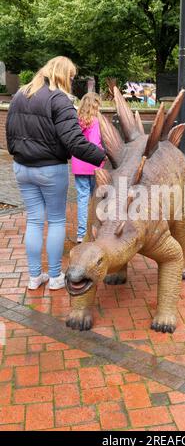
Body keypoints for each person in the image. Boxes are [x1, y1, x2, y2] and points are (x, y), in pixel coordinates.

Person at [6, 56, 106, 290]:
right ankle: (54, 277)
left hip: (22, 168)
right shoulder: (58, 99)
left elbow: (9, 131)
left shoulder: (20, 94)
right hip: (50, 169)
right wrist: (103, 157)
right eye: (71, 76)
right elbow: (75, 142)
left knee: (34, 220)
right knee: (57, 221)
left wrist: (17, 153)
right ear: (62, 75)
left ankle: (34, 277)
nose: (72, 81)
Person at [71, 93, 105, 243]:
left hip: (79, 164)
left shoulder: (75, 121)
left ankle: (81, 234)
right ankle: (96, 231)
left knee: (82, 199)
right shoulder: (95, 121)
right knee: (96, 200)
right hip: (94, 164)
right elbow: (94, 144)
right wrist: (104, 155)